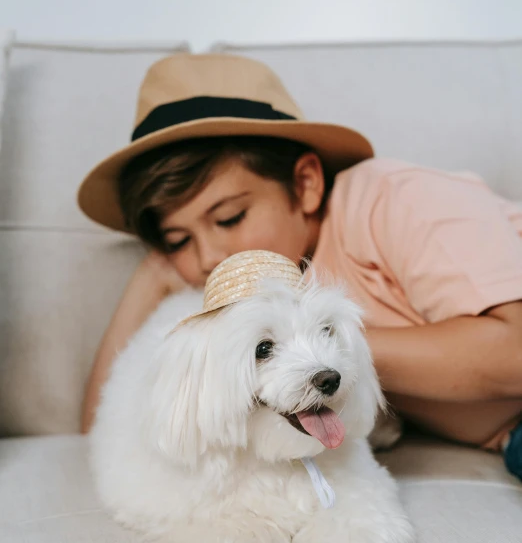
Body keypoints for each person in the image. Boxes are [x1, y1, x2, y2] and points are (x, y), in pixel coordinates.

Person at [77, 53, 522, 480]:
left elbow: (514, 351)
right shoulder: (223, 289)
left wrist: (311, 347)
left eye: (230, 217)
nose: (208, 257)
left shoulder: (392, 198)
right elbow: (101, 429)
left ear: (306, 185)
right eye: (178, 240)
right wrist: (153, 276)